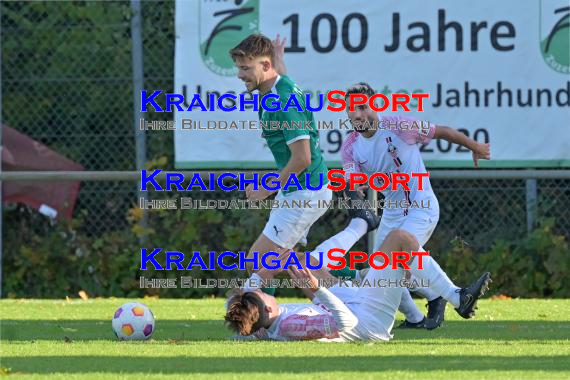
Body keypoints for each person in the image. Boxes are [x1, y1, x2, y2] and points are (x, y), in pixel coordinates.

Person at [225, 227, 492, 342]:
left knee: (299, 261)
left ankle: (368, 276)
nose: (264, 293)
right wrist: (317, 290)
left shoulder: (260, 320)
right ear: (267, 310)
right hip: (366, 321)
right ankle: (457, 298)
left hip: (349, 305)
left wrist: (271, 269)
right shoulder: (291, 325)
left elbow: (242, 314)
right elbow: (345, 324)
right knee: (399, 239)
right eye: (262, 295)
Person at [228, 34, 334, 295]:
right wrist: (279, 58)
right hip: (299, 190)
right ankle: (358, 289)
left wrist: (268, 189)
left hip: (305, 192)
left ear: (265, 66)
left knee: (259, 260)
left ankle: (257, 323)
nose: (240, 75)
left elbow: (302, 158)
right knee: (291, 262)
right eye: (239, 68)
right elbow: (282, 74)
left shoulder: (284, 103)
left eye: (245, 68)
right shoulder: (276, 86)